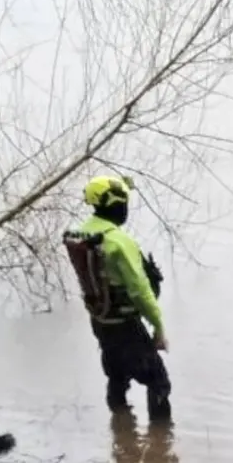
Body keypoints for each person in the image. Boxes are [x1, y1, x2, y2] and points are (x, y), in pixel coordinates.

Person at [65, 175, 172, 424]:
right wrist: (158, 327)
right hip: (126, 326)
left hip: (101, 322)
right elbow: (140, 291)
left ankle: (122, 437)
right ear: (116, 203)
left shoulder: (79, 233)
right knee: (158, 382)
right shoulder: (118, 241)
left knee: (117, 376)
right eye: (125, 201)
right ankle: (161, 443)